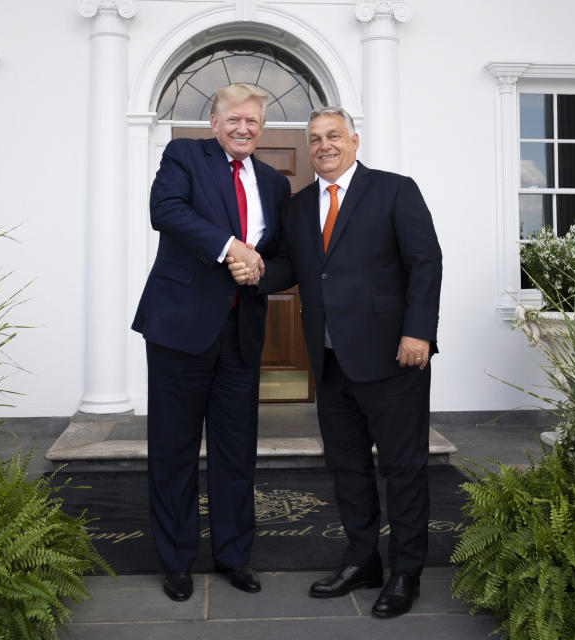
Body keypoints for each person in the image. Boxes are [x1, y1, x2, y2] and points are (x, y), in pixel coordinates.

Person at [229, 106, 442, 618]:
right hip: (328, 360)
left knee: (403, 468)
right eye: (315, 138)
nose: (323, 145)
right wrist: (252, 270)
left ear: (354, 140)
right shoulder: (301, 206)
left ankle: (406, 571)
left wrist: (419, 332)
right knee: (347, 468)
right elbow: (293, 269)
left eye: (333, 136)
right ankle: (362, 560)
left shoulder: (395, 190)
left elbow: (425, 261)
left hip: (393, 357)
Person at [132, 84, 291, 602]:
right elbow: (167, 211)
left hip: (241, 333)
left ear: (261, 127)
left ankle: (233, 555)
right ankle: (177, 560)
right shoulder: (184, 156)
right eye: (234, 119)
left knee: (235, 452)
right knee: (175, 450)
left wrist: (258, 271)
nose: (243, 128)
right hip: (180, 329)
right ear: (214, 121)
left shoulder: (273, 182)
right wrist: (231, 248)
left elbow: (279, 258)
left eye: (252, 121)